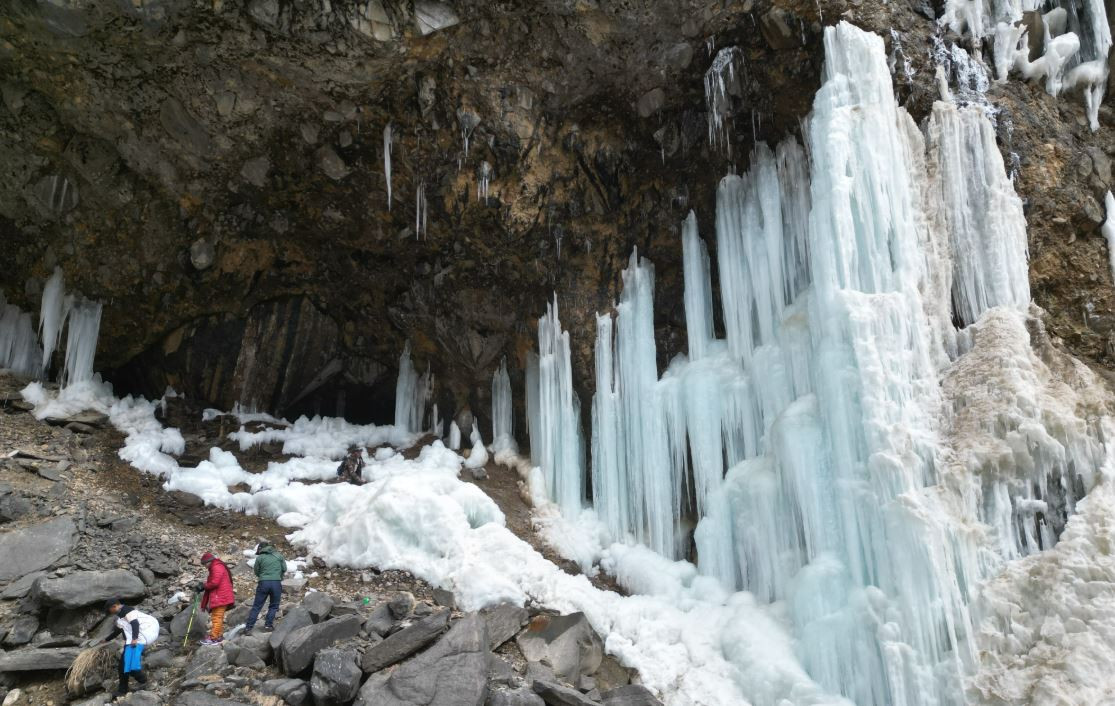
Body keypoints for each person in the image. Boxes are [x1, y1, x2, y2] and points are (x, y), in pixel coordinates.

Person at [102, 598, 159, 699]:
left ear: (114, 606)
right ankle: (123, 690)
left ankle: (144, 682)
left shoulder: (127, 610)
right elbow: (118, 630)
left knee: (129, 666)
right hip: (133, 640)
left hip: (139, 638)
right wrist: (107, 639)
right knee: (123, 666)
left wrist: (134, 639)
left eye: (109, 610)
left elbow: (135, 624)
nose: (109, 612)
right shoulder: (121, 616)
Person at [244, 541, 286, 635]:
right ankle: (268, 626)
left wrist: (263, 577)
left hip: (263, 583)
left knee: (257, 606)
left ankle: (248, 628)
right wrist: (277, 575)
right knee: (274, 606)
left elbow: (256, 571)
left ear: (261, 550)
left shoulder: (260, 557)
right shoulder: (279, 556)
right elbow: (284, 569)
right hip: (276, 583)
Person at [198, 551, 235, 645]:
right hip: (222, 595)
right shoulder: (217, 566)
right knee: (218, 617)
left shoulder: (216, 567)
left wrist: (204, 586)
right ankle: (218, 636)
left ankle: (213, 638)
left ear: (208, 562)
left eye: (204, 564)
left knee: (216, 617)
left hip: (220, 596)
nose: (205, 567)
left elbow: (215, 582)